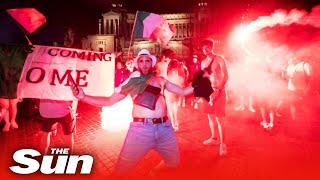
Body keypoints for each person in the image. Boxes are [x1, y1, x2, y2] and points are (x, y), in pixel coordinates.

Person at [70, 49, 197, 176]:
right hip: (140, 131)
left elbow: (184, 91)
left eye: (147, 60)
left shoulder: (160, 80)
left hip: (165, 129)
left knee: (173, 163)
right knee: (121, 171)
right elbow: (109, 101)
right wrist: (83, 97)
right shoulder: (132, 81)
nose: (145, 63)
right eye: (141, 61)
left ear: (152, 63)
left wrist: (200, 82)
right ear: (137, 64)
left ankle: (153, 173)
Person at [200, 38, 229, 156]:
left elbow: (226, 76)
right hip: (208, 92)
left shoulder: (219, 59)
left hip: (219, 91)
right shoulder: (202, 62)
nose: (205, 49)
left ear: (212, 47)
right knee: (210, 116)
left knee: (220, 118)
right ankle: (214, 138)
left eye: (207, 47)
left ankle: (223, 145)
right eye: (203, 48)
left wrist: (219, 89)